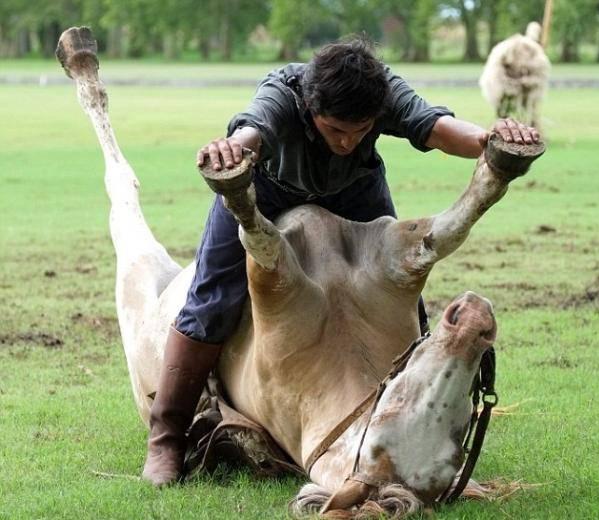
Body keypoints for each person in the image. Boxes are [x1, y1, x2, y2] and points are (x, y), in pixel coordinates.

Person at [142, 37, 540, 486]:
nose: (348, 141)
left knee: (404, 296)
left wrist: (491, 141)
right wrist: (231, 150)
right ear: (311, 108)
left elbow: (437, 128)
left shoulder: (381, 91)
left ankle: (408, 416)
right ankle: (167, 437)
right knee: (211, 300)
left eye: (361, 129)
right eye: (335, 130)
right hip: (266, 192)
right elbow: (251, 131)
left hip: (355, 193)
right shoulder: (283, 94)